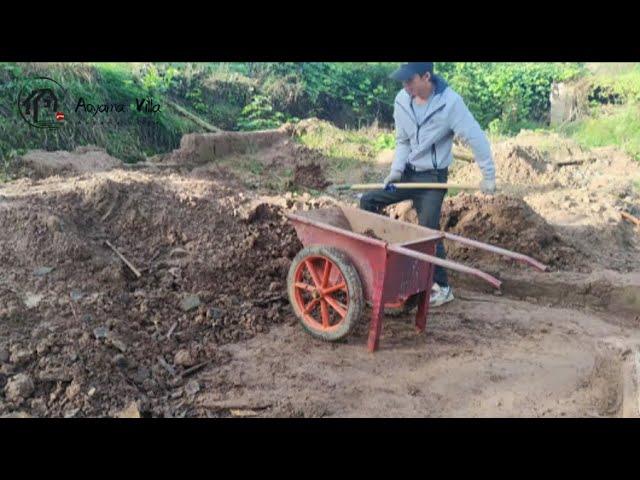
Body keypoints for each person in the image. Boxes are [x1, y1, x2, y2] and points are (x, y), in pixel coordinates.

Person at [360, 62, 496, 307]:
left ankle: (442, 288)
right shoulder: (402, 100)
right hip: (407, 175)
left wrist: (488, 175)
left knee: (428, 233)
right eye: (403, 81)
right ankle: (379, 265)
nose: (405, 86)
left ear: (426, 77)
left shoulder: (450, 103)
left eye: (409, 81)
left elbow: (475, 137)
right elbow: (402, 141)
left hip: (433, 179)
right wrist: (395, 171)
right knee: (368, 201)